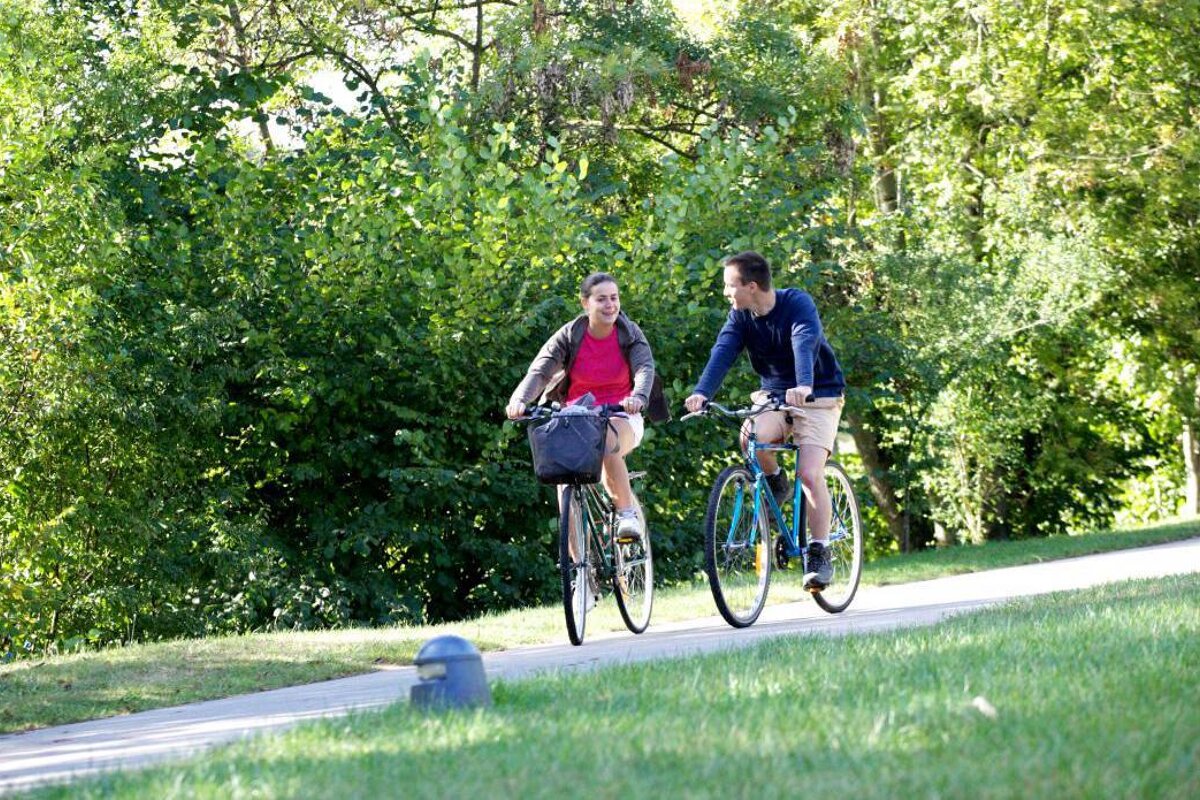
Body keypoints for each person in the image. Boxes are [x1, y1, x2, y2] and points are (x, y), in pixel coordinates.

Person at [684, 251, 846, 591]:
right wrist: (702, 392)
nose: (726, 293)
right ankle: (775, 482)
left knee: (809, 474)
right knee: (751, 439)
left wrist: (804, 384)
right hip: (774, 396)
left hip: (818, 396)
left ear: (752, 286)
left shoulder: (796, 304)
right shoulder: (740, 317)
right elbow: (723, 351)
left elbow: (804, 340)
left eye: (730, 286)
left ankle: (819, 551)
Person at [507, 273, 668, 542]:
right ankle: (576, 565)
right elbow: (541, 371)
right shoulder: (570, 335)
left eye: (614, 298)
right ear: (585, 303)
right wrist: (520, 400)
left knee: (606, 442)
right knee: (562, 482)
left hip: (621, 414)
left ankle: (627, 514)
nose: (610, 305)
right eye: (601, 299)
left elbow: (644, 367)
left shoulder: (629, 333)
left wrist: (638, 397)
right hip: (576, 419)